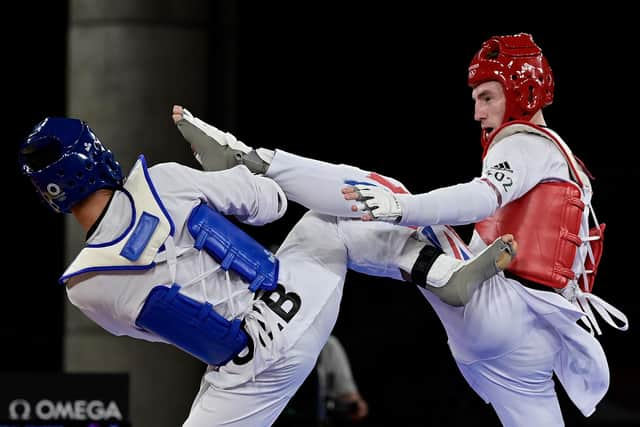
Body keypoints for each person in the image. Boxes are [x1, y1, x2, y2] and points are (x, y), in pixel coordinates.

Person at [171, 33, 629, 426]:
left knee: (373, 200)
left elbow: (482, 196)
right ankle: (437, 267)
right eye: (475, 100)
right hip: (529, 347)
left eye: (487, 96)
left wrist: (400, 207)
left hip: (501, 304)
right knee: (363, 220)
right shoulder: (564, 160)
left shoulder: (524, 143)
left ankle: (254, 162)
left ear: (524, 91)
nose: (478, 113)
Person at [18, 117, 515, 426]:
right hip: (292, 303)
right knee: (328, 216)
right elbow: (273, 205)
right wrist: (228, 179)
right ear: (96, 155)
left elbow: (157, 332)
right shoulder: (163, 180)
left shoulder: (83, 287)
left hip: (243, 370)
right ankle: (432, 268)